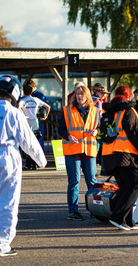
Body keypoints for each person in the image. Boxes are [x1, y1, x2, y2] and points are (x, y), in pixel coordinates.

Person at [0, 75, 47, 257]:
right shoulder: (14, 113)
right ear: (15, 92)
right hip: (7, 156)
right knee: (8, 202)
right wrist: (41, 160)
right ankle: (1, 244)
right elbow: (27, 140)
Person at [101, 86, 138, 230]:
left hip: (111, 155)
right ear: (129, 96)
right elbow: (136, 134)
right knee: (136, 184)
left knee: (125, 187)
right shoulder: (128, 111)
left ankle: (128, 220)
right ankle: (118, 217)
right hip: (128, 154)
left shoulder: (109, 111)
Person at [58, 84, 99, 220]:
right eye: (77, 94)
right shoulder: (67, 110)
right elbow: (61, 129)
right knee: (74, 181)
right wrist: (68, 136)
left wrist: (97, 131)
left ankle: (95, 210)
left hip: (89, 149)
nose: (79, 96)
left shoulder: (95, 110)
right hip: (72, 149)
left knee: (92, 181)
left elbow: (100, 127)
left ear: (87, 96)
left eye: (82, 94)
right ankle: (73, 211)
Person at [19, 83, 50, 170]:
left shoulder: (23, 101)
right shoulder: (36, 99)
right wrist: (45, 116)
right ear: (32, 91)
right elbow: (48, 107)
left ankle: (28, 164)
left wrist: (22, 115)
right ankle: (35, 163)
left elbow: (18, 107)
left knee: (27, 143)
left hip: (27, 122)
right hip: (35, 122)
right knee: (35, 143)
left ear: (23, 92)